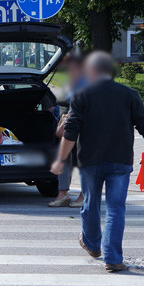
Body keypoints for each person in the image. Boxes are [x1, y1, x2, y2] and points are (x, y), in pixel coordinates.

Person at [51, 51, 144, 272]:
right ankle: (113, 258)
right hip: (120, 162)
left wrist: (61, 159)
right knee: (116, 209)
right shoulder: (129, 94)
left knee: (90, 204)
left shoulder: (81, 95)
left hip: (90, 162)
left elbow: (70, 133)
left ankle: (91, 244)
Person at [49, 53, 88, 208]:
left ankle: (84, 195)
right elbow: (66, 102)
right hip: (73, 125)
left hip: (86, 128)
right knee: (64, 156)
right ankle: (63, 193)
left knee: (84, 159)